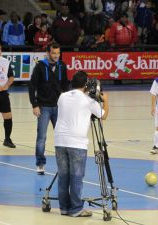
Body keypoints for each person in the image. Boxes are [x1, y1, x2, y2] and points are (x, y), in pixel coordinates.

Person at [54, 71, 109, 217]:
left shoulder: (62, 96)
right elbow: (103, 115)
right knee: (76, 177)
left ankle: (64, 208)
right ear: (86, 85)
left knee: (63, 176)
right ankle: (76, 209)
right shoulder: (89, 101)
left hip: (59, 140)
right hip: (77, 143)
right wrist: (105, 100)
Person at [29, 42, 69, 175]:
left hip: (59, 107)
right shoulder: (40, 66)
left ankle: (63, 164)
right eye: (54, 53)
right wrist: (34, 105)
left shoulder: (62, 66)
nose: (56, 56)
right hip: (44, 107)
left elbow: (65, 85)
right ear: (47, 53)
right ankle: (40, 163)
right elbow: (32, 86)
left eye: (58, 53)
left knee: (62, 136)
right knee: (42, 137)